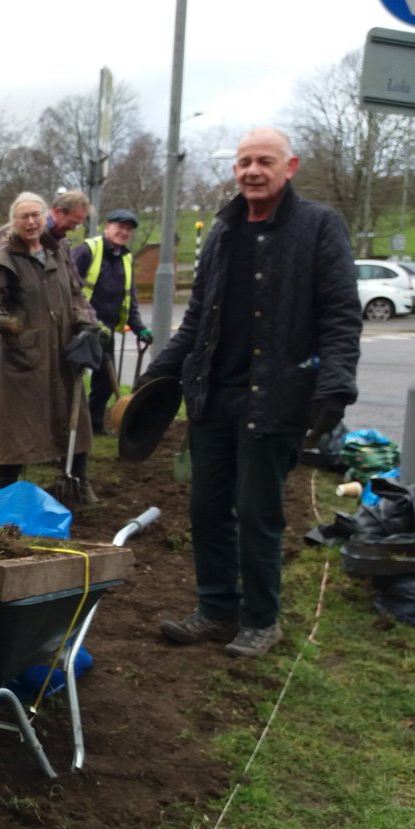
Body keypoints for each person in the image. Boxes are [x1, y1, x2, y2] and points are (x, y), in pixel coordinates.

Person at [146, 127, 361, 659]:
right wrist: (160, 371)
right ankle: (217, 610)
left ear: (291, 167)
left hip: (275, 398)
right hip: (213, 398)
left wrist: (335, 383)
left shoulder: (318, 226)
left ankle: (262, 620)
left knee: (257, 512)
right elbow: (199, 317)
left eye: (264, 161)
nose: (252, 171)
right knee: (207, 508)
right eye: (244, 162)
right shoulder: (222, 231)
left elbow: (339, 314)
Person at [0, 191, 98, 501]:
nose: (31, 222)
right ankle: (3, 491)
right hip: (24, 356)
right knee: (16, 425)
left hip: (62, 351)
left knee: (74, 416)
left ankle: (79, 481)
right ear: (14, 222)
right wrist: (8, 325)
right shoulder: (3, 257)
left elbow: (75, 293)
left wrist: (86, 323)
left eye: (36, 215)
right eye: (23, 217)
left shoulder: (57, 250)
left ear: (45, 217)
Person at [73, 208, 152, 434]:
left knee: (105, 382)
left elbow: (130, 299)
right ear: (107, 227)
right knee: (72, 379)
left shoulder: (125, 258)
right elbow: (68, 285)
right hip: (81, 327)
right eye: (120, 227)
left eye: (128, 229)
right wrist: (82, 319)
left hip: (105, 330)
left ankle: (93, 425)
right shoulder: (88, 250)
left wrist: (140, 329)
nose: (124, 232)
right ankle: (66, 427)